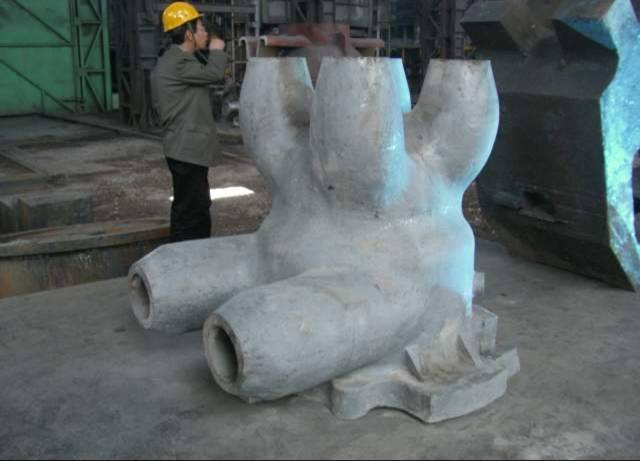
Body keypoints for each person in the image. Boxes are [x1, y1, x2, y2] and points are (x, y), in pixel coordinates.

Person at [153, 2, 228, 242]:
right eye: (201, 29)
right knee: (191, 212)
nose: (205, 34)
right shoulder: (178, 62)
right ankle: (185, 256)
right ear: (188, 34)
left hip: (186, 147)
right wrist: (217, 49)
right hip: (186, 148)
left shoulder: (178, 60)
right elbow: (214, 74)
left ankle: (192, 253)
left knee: (194, 207)